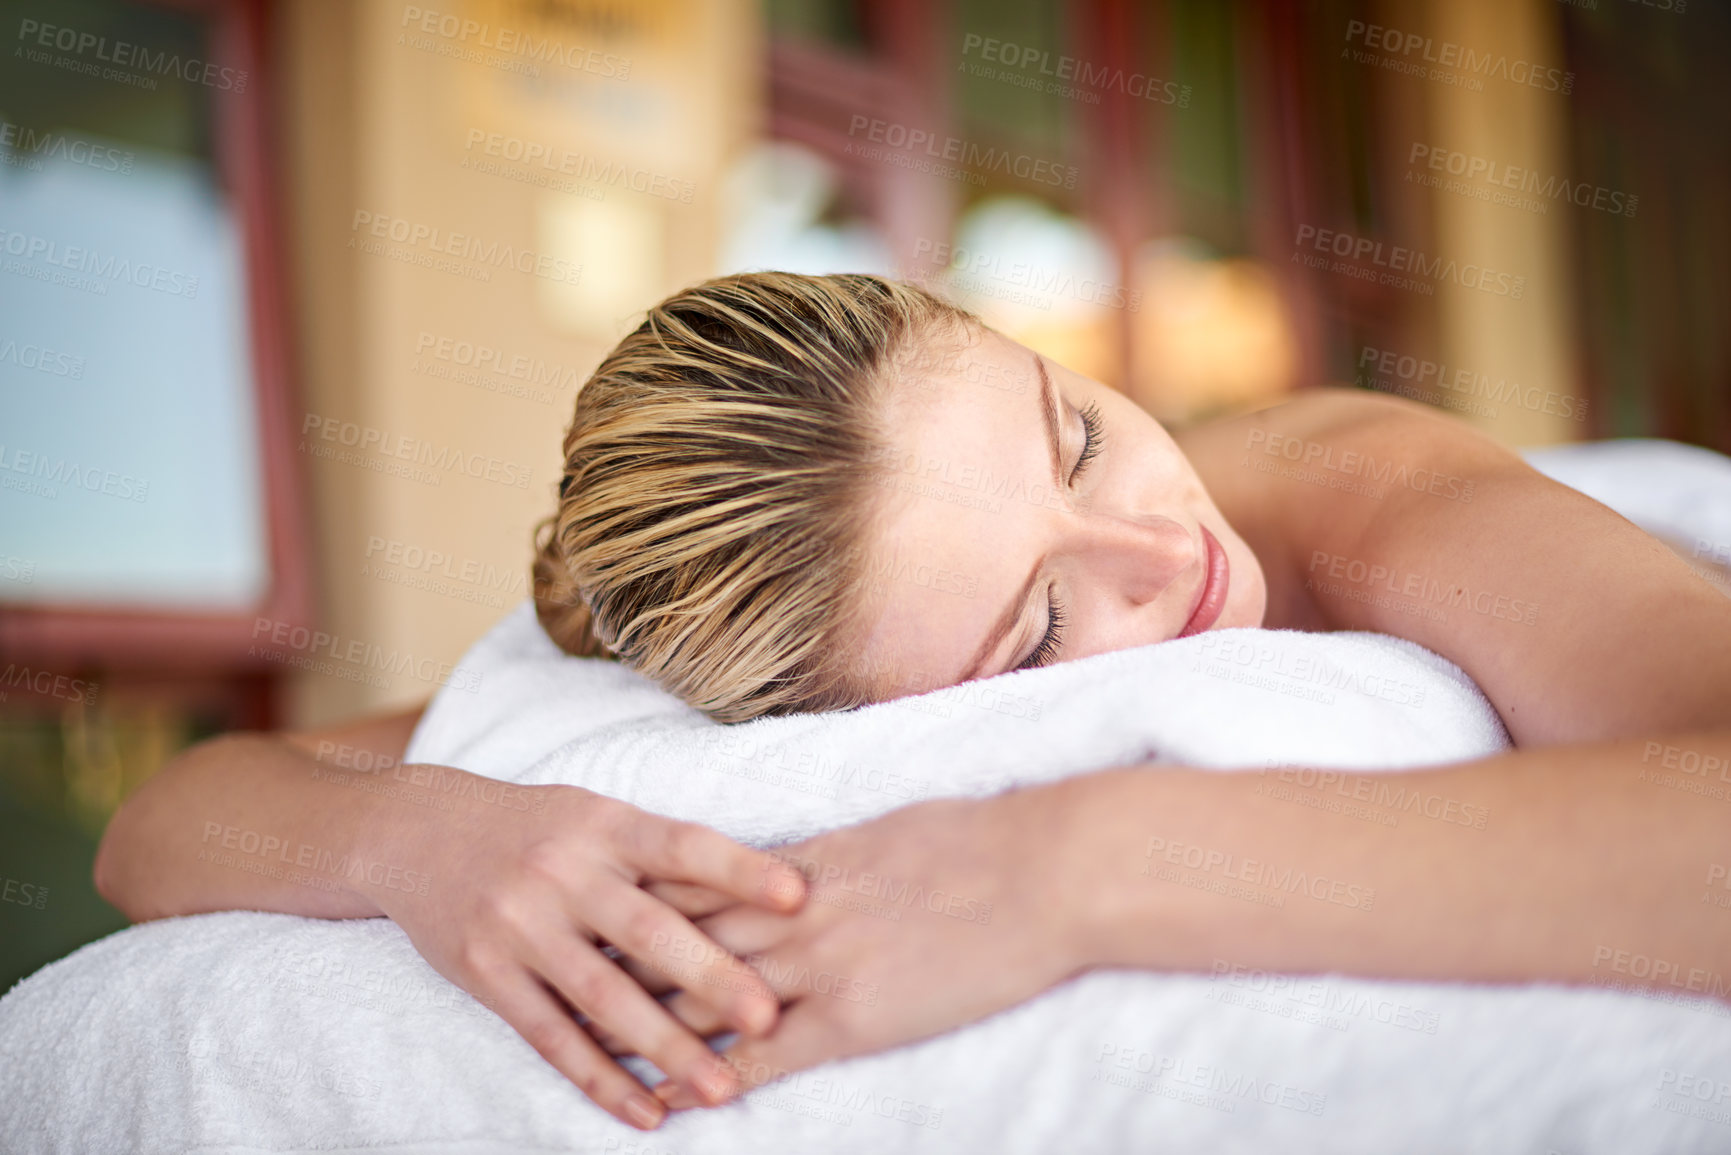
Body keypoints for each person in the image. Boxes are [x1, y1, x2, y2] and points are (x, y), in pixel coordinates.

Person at [95, 272, 1731, 1132]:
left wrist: (1075, 868)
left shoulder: (1356, 491)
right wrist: (414, 842)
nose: (1163, 550)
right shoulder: (730, 688)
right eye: (1035, 635)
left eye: (1076, 435)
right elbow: (162, 825)